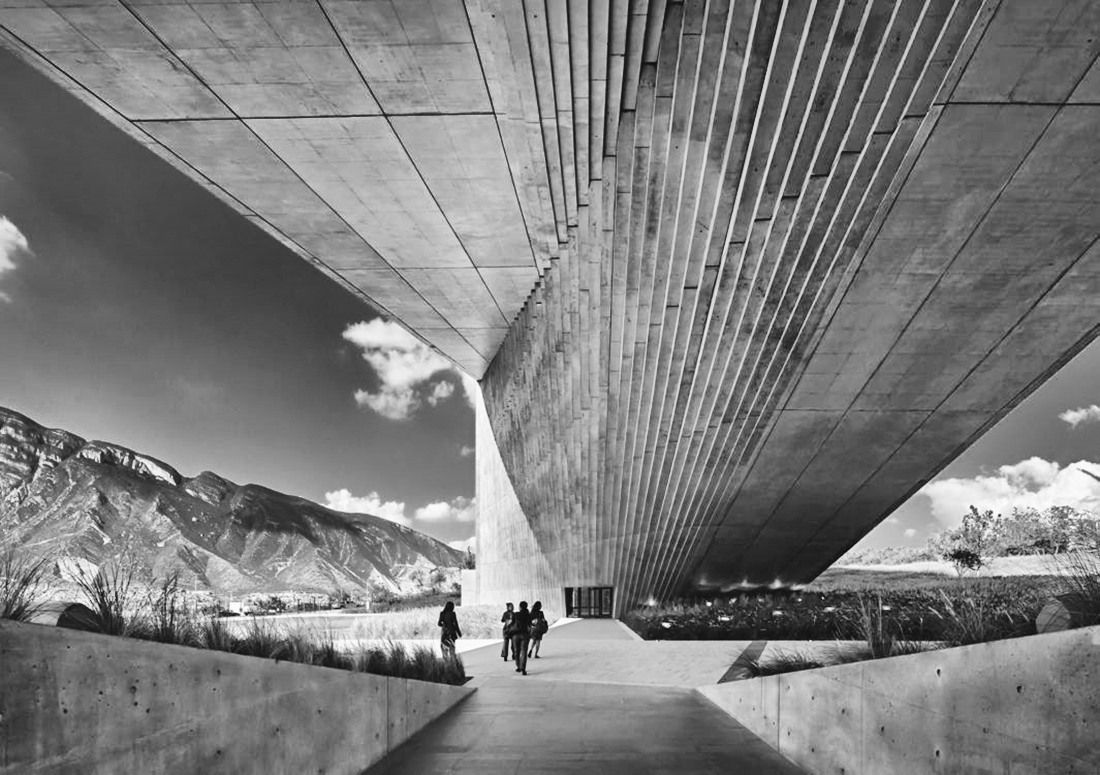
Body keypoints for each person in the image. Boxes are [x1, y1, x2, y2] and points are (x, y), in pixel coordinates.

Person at [511, 600, 532, 675]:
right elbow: (530, 624)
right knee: (524, 652)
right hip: (525, 635)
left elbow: (512, 624)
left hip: (516, 635)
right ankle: (523, 668)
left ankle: (518, 666)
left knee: (517, 651)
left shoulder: (516, 614)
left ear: (520, 607)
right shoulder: (528, 615)